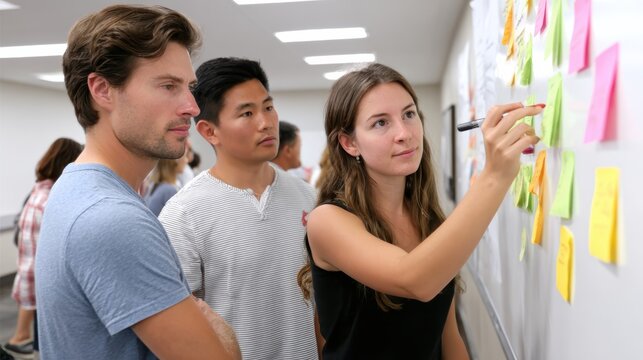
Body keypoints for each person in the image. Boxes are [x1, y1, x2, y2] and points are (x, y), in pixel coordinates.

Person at [34, 5, 240, 359]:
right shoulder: (111, 218)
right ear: (102, 90)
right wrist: (222, 335)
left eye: (189, 88)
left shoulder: (77, 190)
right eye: (168, 86)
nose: (192, 106)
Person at [297, 63, 542, 359]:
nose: (404, 133)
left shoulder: (429, 220)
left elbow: (448, 337)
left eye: (409, 114)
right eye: (380, 123)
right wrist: (494, 176)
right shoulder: (327, 221)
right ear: (349, 144)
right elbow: (414, 280)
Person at [159, 57, 320, 359]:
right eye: (247, 112)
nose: (266, 122)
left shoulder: (308, 197)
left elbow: (321, 304)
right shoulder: (183, 215)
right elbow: (181, 326)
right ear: (209, 132)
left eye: (268, 107)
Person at [3, 138, 82, 359]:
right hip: (42, 278)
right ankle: (22, 343)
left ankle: (22, 341)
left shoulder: (38, 191)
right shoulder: (51, 200)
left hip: (30, 271)